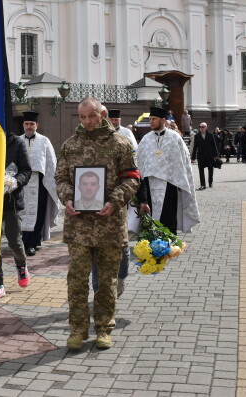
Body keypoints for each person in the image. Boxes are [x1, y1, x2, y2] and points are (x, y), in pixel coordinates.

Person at [54, 97, 139, 350]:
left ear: (102, 114)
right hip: (79, 226)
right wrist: (67, 198)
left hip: (109, 225)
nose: (87, 122)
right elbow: (60, 178)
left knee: (106, 281)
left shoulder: (119, 144)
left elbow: (132, 178)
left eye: (91, 116)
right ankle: (78, 330)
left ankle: (103, 327)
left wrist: (114, 200)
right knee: (77, 280)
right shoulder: (70, 145)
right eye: (82, 117)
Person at [93, 108, 137, 298]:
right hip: (92, 203)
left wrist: (125, 197)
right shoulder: (86, 139)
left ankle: (121, 277)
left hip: (117, 202)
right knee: (95, 251)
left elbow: (134, 171)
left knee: (122, 246)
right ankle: (98, 292)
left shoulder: (124, 138)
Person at [136, 106, 200, 235]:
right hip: (149, 184)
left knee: (169, 216)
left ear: (163, 120)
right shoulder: (145, 139)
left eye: (154, 119)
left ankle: (169, 245)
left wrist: (183, 180)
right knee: (150, 218)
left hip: (170, 183)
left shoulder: (175, 138)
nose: (151, 122)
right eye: (150, 119)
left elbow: (184, 160)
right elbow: (140, 162)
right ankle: (150, 246)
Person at [0, 132, 32, 302]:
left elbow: (26, 170)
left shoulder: (17, 143)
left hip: (11, 201)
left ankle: (21, 266)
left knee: (14, 241)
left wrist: (16, 182)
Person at [19, 112, 58, 257]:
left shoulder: (44, 141)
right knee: (22, 212)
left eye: (32, 124)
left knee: (38, 212)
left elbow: (51, 162)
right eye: (27, 124)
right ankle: (23, 241)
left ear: (37, 125)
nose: (29, 127)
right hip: (21, 183)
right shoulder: (17, 141)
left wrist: (50, 180)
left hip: (39, 182)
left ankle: (33, 243)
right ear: (23, 125)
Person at [191, 122, 220, 190]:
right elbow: (195, 147)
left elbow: (214, 146)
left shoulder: (211, 135)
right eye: (200, 127)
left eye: (203, 127)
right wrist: (193, 157)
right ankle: (203, 185)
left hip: (210, 155)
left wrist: (216, 155)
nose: (201, 128)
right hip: (201, 156)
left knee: (210, 169)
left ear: (206, 128)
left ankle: (210, 182)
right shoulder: (197, 136)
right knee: (201, 170)